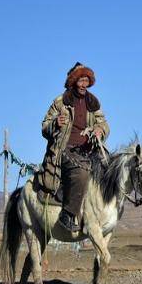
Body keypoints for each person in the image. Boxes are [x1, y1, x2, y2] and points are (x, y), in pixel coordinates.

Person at [40, 62, 110, 232]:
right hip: (65, 149)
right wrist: (55, 123)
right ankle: (68, 214)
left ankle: (104, 215)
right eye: (81, 81)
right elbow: (44, 126)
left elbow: (104, 123)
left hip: (89, 150)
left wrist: (100, 130)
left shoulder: (93, 102)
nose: (84, 85)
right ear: (73, 82)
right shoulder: (60, 102)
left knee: (111, 168)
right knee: (81, 172)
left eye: (87, 81)